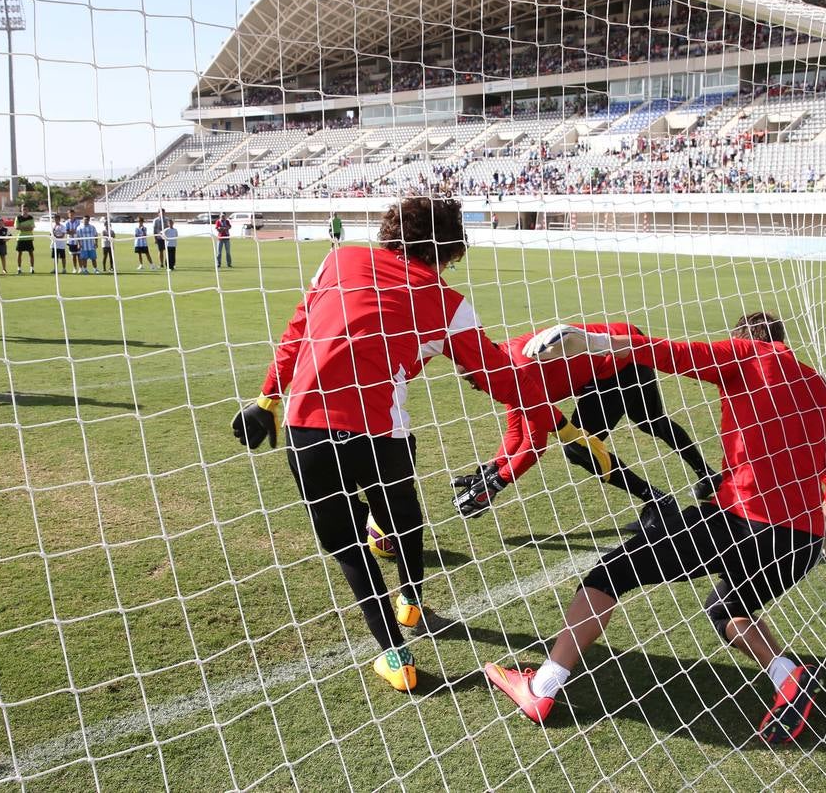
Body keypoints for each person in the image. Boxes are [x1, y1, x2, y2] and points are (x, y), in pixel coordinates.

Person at [231, 196, 611, 693]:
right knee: (403, 513)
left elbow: (298, 330)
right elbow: (504, 378)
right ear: (449, 250)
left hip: (308, 429)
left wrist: (266, 398)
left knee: (348, 544)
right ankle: (411, 599)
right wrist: (565, 429)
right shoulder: (447, 304)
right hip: (380, 435)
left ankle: (394, 654)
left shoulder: (338, 259)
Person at [484, 313, 826, 746]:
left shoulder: (746, 355)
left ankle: (542, 688)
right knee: (727, 608)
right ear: (783, 340)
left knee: (611, 573)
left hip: (744, 523)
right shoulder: (821, 389)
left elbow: (665, 352)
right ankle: (789, 678)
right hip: (802, 543)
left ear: (739, 339)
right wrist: (821, 522)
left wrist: (589, 340)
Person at [451, 322, 718, 520]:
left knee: (579, 448)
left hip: (619, 360)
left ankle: (658, 501)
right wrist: (489, 470)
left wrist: (498, 483)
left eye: (472, 379)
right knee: (651, 421)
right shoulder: (501, 363)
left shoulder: (522, 370)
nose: (473, 386)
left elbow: (535, 443)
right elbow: (515, 432)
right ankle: (708, 475)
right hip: (613, 355)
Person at [14, 205, 35, 274]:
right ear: (21, 209)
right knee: (19, 253)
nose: (25, 210)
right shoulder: (18, 217)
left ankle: (32, 269)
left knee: (31, 253)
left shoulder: (31, 218)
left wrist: (22, 227)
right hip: (21, 238)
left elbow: (31, 228)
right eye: (23, 209)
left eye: (26, 209)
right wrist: (26, 228)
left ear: (28, 210)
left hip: (29, 238)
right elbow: (17, 227)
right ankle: (19, 269)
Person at [64, 209, 81, 273]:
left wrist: (73, 231)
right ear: (68, 215)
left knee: (79, 255)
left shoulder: (78, 222)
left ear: (74, 214)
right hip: (71, 241)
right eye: (70, 214)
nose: (71, 215)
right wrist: (72, 231)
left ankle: (80, 268)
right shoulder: (67, 222)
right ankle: (74, 268)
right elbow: (66, 231)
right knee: (73, 255)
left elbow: (79, 230)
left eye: (72, 214)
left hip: (78, 240)